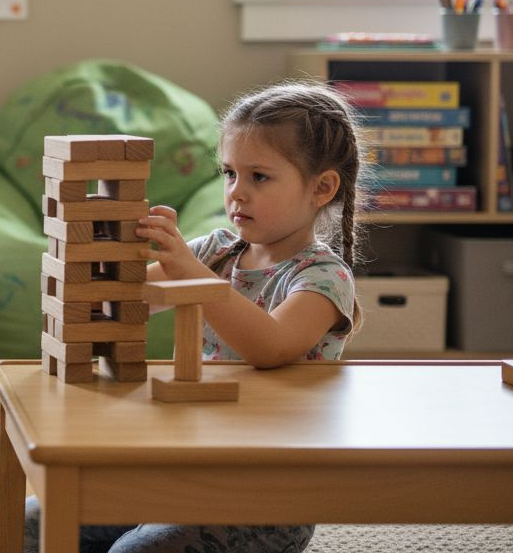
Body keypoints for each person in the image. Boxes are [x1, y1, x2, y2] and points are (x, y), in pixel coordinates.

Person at [25, 81, 364, 552]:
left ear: (321, 188)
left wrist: (191, 273)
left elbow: (271, 347)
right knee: (35, 521)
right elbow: (126, 301)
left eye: (259, 177)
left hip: (267, 499)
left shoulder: (324, 278)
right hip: (186, 469)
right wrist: (106, 244)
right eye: (229, 173)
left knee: (137, 550)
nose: (236, 192)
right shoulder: (218, 251)